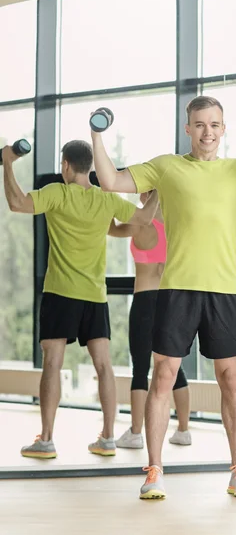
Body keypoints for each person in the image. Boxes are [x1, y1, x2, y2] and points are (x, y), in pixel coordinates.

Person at [91, 95, 236, 500]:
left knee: (230, 379)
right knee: (162, 376)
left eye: (214, 124)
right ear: (188, 128)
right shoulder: (166, 166)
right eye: (199, 124)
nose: (207, 131)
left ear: (223, 129)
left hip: (225, 291)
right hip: (176, 289)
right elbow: (111, 181)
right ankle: (154, 470)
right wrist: (97, 134)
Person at [2, 140, 158, 459]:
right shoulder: (105, 199)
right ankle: (109, 437)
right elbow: (142, 219)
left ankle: (46, 439)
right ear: (90, 166)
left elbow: (17, 203)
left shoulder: (58, 193)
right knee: (103, 366)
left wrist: (6, 163)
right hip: (95, 297)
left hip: (61, 293)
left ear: (66, 166)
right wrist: (159, 192)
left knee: (53, 364)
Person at [108, 190, 192, 449]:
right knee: (172, 366)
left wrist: (107, 197)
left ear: (146, 195)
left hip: (145, 300)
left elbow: (110, 229)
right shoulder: (178, 226)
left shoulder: (139, 224)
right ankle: (184, 430)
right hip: (170, 300)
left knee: (140, 368)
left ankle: (135, 433)